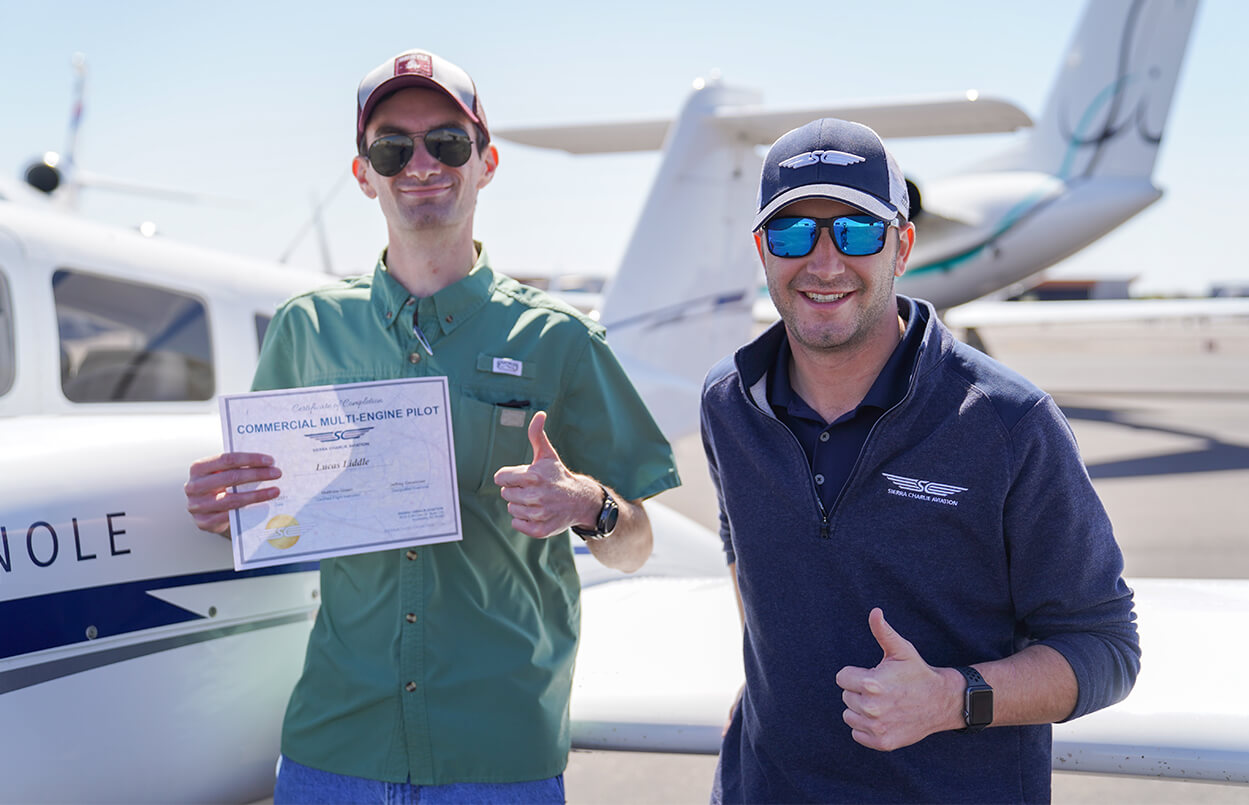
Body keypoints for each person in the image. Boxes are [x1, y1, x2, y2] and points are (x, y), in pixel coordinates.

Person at [183, 49, 679, 803]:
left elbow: (638, 542)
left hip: (499, 748)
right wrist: (228, 512)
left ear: (486, 163)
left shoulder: (560, 341)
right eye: (392, 146)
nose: (421, 163)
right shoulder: (307, 329)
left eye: (447, 141)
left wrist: (590, 505)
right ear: (363, 174)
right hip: (334, 746)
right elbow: (276, 511)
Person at [700, 117, 1140, 803]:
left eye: (855, 230)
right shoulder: (729, 403)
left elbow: (1105, 648)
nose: (822, 262)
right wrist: (766, 679)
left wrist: (948, 696)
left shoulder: (1008, 421)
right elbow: (744, 548)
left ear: (902, 246)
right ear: (761, 250)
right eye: (792, 232)